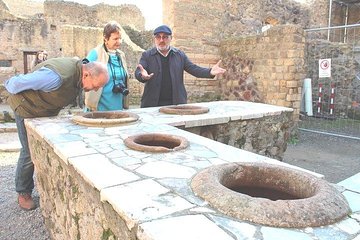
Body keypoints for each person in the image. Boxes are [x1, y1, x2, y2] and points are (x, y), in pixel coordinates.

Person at [5, 57, 109, 210]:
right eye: (95, 86)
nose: (95, 90)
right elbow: (14, 84)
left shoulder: (78, 76)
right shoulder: (55, 77)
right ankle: (23, 192)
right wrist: (9, 84)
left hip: (45, 110)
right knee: (29, 151)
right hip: (25, 107)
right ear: (86, 75)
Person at [135, 25, 226, 108]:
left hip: (176, 104)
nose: (161, 40)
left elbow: (193, 69)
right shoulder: (147, 55)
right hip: (152, 104)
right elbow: (139, 70)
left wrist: (210, 72)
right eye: (158, 37)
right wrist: (142, 75)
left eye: (165, 37)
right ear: (154, 39)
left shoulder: (179, 55)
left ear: (171, 38)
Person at [85, 21, 129, 111]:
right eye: (115, 39)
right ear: (105, 39)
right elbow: (82, 72)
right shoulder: (95, 53)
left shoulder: (121, 55)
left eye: (120, 38)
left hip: (117, 106)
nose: (119, 42)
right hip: (99, 107)